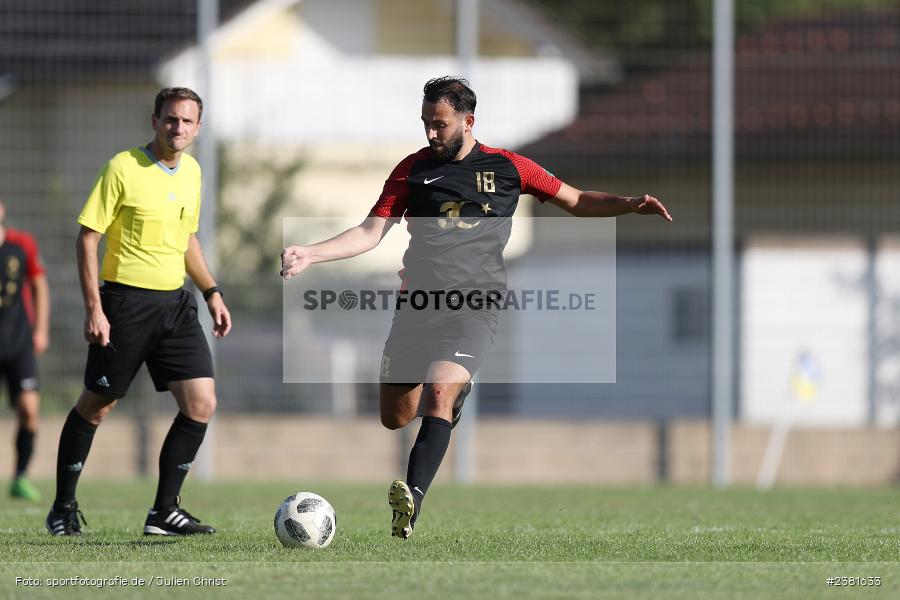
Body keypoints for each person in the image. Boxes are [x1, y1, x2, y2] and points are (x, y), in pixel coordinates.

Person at [281, 76, 671, 539]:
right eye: (426, 124)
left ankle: (412, 502)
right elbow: (370, 232)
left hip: (476, 306)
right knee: (395, 415)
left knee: (440, 392)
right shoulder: (411, 171)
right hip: (417, 306)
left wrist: (627, 205)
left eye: (439, 125)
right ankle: (446, 406)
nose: (430, 133)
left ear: (468, 122)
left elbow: (575, 199)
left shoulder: (512, 168)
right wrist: (310, 253)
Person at [45, 87, 232, 537]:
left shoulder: (192, 172)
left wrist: (211, 291)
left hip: (176, 305)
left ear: (198, 127)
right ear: (155, 121)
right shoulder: (123, 167)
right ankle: (63, 508)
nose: (178, 128)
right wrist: (95, 308)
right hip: (125, 304)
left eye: (187, 121)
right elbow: (88, 238)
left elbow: (188, 239)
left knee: (202, 403)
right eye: (171, 119)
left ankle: (165, 512)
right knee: (98, 406)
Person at [0, 201, 49, 501]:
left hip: (19, 343)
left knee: (30, 411)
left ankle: (20, 477)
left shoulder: (22, 244)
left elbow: (40, 284)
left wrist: (41, 330)